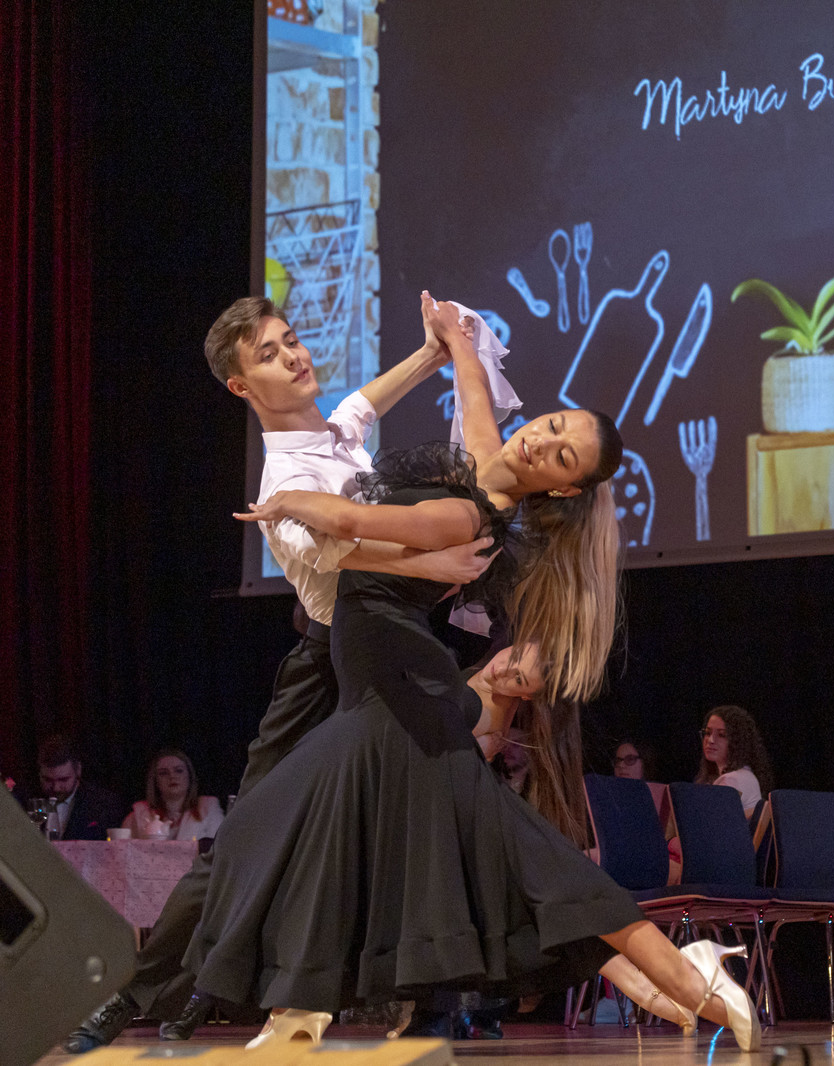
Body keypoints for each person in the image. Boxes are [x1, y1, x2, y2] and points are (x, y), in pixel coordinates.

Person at [185, 298, 759, 1051]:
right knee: (481, 845)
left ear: (562, 489)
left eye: (560, 455)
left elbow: (358, 524)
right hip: (385, 690)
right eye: (551, 424)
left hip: (399, 693)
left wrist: (290, 501)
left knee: (320, 822)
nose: (539, 438)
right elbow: (473, 395)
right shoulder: (488, 462)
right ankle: (680, 975)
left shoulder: (473, 510)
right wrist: (451, 341)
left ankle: (683, 975)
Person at [64, 296, 497, 1052]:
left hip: (387, 652)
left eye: (290, 340)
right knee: (244, 838)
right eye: (268, 354)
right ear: (241, 386)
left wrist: (435, 351)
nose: (293, 356)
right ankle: (138, 994)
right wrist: (436, 562)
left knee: (414, 822)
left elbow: (362, 405)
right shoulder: (281, 482)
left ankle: (425, 999)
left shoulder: (331, 435)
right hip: (328, 667)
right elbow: (341, 554)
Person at [33, 735, 126, 841]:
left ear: (78, 771)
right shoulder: (26, 801)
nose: (56, 788)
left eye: (63, 780)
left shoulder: (102, 805)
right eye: (48, 780)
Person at [123, 750, 225, 842]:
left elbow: (222, 848)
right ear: (155, 781)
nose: (172, 776)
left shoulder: (208, 810)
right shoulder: (138, 816)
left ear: (189, 776)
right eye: (163, 773)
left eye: (178, 771)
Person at [695, 706, 773, 818]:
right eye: (707, 733)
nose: (710, 740)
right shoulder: (744, 774)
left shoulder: (732, 780)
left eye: (721, 735)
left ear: (737, 741)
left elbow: (710, 824)